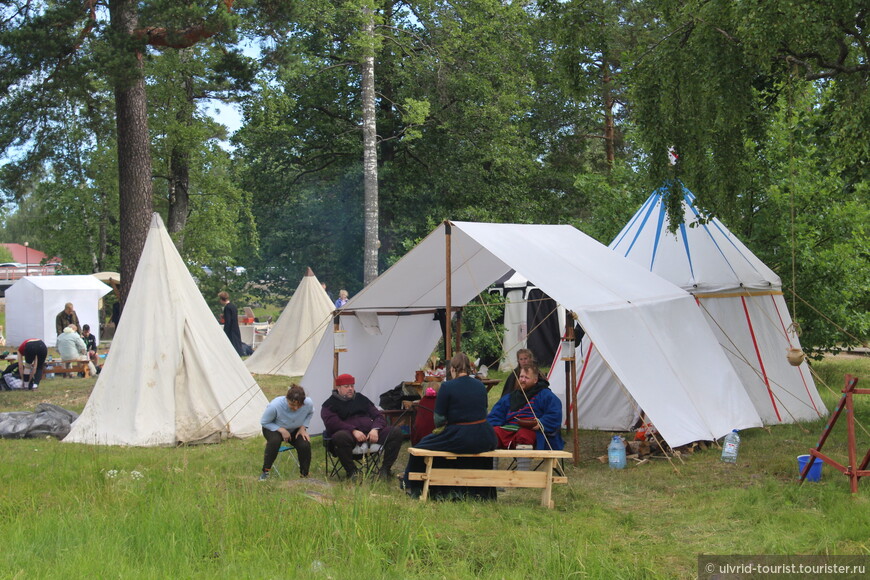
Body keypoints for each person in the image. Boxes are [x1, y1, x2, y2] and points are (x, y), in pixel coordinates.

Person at [402, 352, 498, 499]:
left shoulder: (447, 387)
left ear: (453, 369)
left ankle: (413, 486)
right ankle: (477, 491)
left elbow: (439, 419)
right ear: (469, 368)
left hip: (460, 435)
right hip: (484, 436)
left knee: (419, 447)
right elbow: (484, 411)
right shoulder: (480, 386)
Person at [321, 373, 402, 480]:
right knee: (339, 436)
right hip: (348, 437)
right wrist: (353, 430)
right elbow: (332, 423)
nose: (350, 389)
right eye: (346, 386)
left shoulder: (361, 399)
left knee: (395, 432)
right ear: (338, 388)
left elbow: (378, 415)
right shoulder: (329, 404)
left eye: (352, 386)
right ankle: (352, 472)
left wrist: (375, 429)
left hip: (370, 435)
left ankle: (385, 470)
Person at [487, 363, 564, 450]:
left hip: (531, 431)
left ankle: (522, 464)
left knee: (524, 435)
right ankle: (492, 464)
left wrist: (541, 423)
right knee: (492, 434)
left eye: (526, 378)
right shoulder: (510, 397)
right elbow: (495, 415)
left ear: (535, 380)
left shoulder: (545, 395)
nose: (523, 380)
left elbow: (555, 413)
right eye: (521, 376)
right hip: (510, 429)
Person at [259, 385, 313, 481]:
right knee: (274, 441)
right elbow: (264, 422)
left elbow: (310, 413)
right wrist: (282, 430)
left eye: (299, 405)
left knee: (304, 444)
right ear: (287, 399)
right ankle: (265, 471)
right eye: (292, 405)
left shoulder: (308, 403)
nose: (296, 408)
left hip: (295, 428)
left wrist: (303, 427)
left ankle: (304, 474)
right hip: (273, 427)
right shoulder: (275, 405)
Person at [218, 291, 244, 355]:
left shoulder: (227, 307)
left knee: (231, 341)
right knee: (236, 341)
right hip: (235, 326)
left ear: (222, 299)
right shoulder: (233, 306)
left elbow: (228, 320)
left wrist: (226, 330)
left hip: (230, 328)